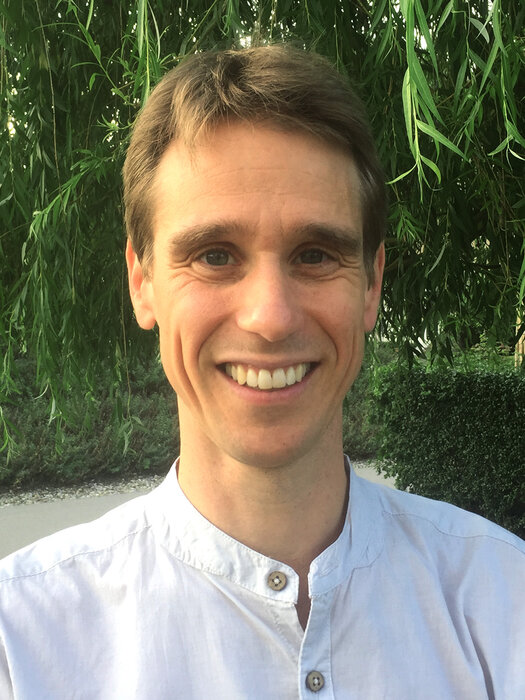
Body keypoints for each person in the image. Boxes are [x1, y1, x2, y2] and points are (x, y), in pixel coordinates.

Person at [0, 45, 524, 699]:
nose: (270, 317)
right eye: (215, 255)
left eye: (315, 254)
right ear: (142, 283)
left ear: (371, 285)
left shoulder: (502, 601)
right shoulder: (22, 644)